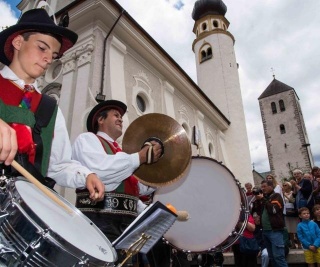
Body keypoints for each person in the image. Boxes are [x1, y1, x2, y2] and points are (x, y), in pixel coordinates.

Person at [0, 9, 104, 198]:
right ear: (18, 42)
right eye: (42, 48)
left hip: (22, 206)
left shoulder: (50, 109)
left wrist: (85, 175)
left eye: (54, 55)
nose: (49, 59)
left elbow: (58, 166)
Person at [72, 100, 163, 265]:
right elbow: (100, 171)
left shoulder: (123, 154)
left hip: (126, 224)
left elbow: (139, 188)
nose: (121, 119)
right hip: (99, 219)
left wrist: (159, 174)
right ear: (101, 120)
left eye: (121, 116)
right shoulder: (87, 139)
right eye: (116, 115)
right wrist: (140, 157)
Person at [255, 180, 288, 267]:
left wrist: (262, 199)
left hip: (275, 231)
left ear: (271, 186)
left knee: (279, 257)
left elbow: (273, 210)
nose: (262, 189)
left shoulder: (276, 196)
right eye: (261, 187)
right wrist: (257, 200)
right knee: (272, 257)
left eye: (264, 186)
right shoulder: (265, 198)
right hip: (265, 231)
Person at [282, 181, 299, 248]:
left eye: (285, 185)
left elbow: (292, 201)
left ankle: (299, 243)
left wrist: (285, 195)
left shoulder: (292, 193)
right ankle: (293, 244)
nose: (284, 186)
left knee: (296, 228)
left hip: (293, 212)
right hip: (286, 212)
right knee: (289, 229)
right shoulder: (282, 194)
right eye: (283, 185)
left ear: (289, 186)